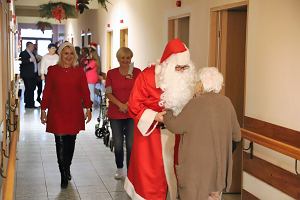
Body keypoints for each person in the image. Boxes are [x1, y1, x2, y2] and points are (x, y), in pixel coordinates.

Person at [124, 38, 196, 200]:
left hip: (178, 136)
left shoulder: (187, 80)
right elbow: (134, 106)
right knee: (152, 181)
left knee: (176, 177)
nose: (183, 71)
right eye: (178, 67)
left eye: (186, 67)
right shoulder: (147, 77)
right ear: (168, 64)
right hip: (151, 136)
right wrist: (155, 116)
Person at [162, 67, 241, 200]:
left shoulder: (195, 103)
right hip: (218, 171)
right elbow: (237, 137)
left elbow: (175, 126)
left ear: (201, 84)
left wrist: (168, 110)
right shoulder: (227, 103)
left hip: (196, 171)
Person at [40, 42, 92, 189]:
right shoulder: (53, 70)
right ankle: (63, 174)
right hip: (57, 111)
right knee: (60, 143)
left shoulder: (79, 72)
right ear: (60, 54)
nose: (68, 56)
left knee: (70, 142)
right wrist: (43, 109)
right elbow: (47, 91)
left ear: (74, 56)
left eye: (71, 54)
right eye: (65, 53)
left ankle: (67, 166)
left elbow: (85, 91)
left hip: (74, 111)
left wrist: (88, 108)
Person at [105, 47, 141, 180]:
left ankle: (131, 171)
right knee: (119, 144)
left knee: (131, 144)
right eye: (123, 58)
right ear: (118, 59)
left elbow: (140, 91)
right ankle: (120, 169)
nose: (126, 60)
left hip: (131, 113)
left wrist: (129, 105)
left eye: (128, 58)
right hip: (116, 113)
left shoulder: (137, 72)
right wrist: (120, 104)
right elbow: (108, 92)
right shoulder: (111, 73)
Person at [19, 41, 38, 109]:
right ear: (28, 46)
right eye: (32, 46)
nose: (33, 47)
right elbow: (21, 62)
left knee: (31, 89)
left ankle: (29, 103)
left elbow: (34, 62)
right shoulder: (23, 53)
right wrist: (29, 60)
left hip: (33, 74)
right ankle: (29, 104)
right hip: (27, 75)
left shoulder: (32, 53)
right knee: (29, 89)